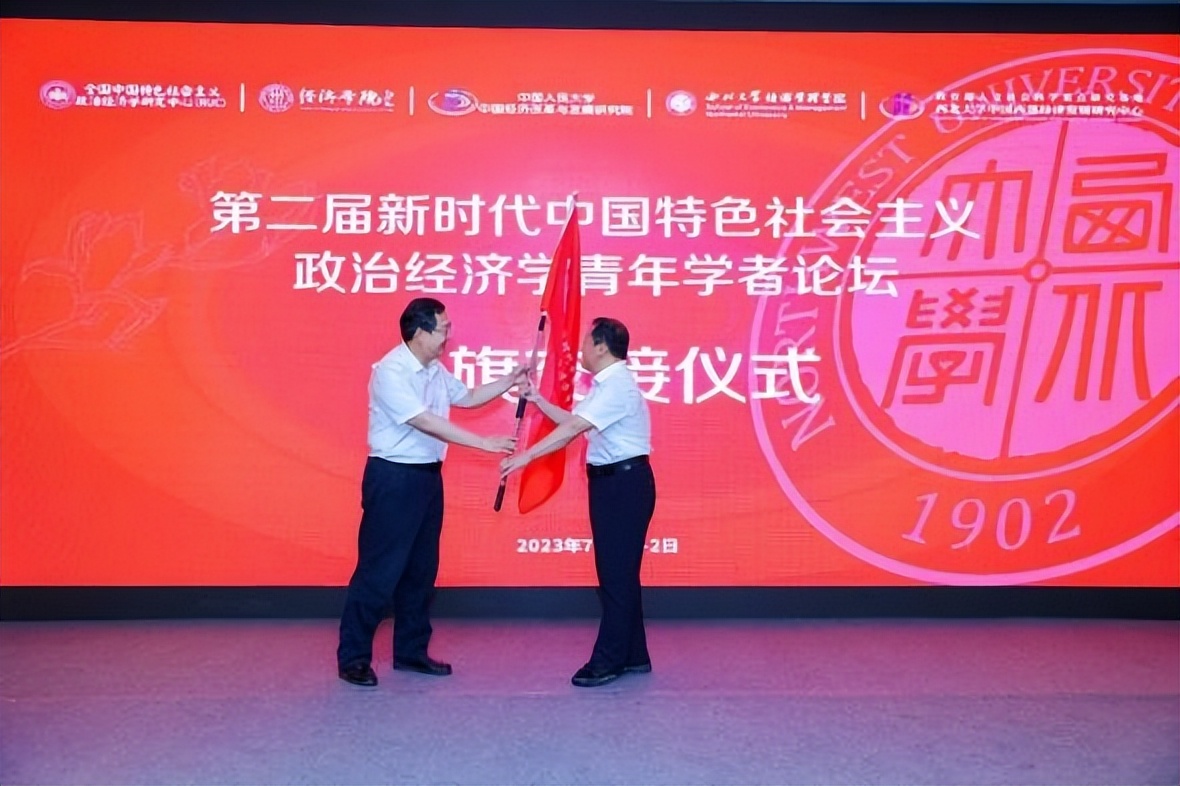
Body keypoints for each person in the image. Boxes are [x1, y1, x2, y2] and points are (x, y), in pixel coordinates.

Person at [337, 297, 527, 687]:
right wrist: (483, 443)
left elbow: (467, 397)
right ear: (419, 332)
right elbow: (424, 421)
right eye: (443, 329)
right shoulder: (391, 371)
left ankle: (411, 651)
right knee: (379, 570)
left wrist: (509, 381)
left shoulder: (434, 369)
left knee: (421, 571)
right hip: (393, 478)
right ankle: (353, 657)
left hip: (426, 479)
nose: (448, 336)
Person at [501, 317, 656, 687]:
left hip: (623, 486)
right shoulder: (608, 384)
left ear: (601, 346)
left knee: (615, 576)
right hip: (615, 485)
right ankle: (634, 654)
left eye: (586, 342)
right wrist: (538, 400)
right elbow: (575, 421)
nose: (581, 349)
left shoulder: (616, 385)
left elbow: (572, 430)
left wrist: (526, 457)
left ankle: (608, 660)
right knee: (620, 574)